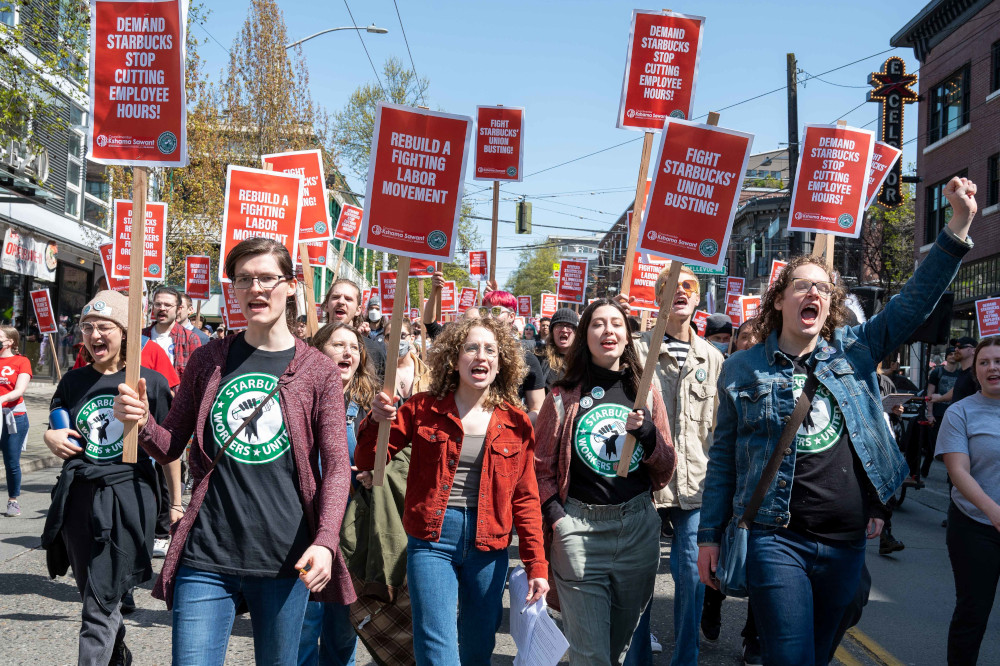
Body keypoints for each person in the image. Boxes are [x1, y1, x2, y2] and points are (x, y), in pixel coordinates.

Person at [698, 176, 979, 665]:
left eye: (823, 289)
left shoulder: (855, 351)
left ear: (829, 306)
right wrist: (708, 537)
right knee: (789, 656)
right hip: (774, 534)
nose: (814, 293)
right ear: (780, 299)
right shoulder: (743, 368)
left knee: (820, 653)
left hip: (845, 541)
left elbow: (913, 303)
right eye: (802, 285)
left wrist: (958, 224)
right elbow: (724, 458)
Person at [114, 238, 356, 666]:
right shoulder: (210, 359)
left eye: (266, 278)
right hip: (207, 551)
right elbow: (169, 444)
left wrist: (326, 540)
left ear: (291, 285)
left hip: (285, 556)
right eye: (243, 279)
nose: (255, 289)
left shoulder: (317, 369)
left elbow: (337, 466)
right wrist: (140, 423)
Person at [354, 316, 549, 666]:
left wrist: (537, 565)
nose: (481, 356)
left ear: (501, 361)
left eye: (490, 349)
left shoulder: (516, 421)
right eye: (471, 348)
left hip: (490, 544)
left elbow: (526, 498)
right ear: (454, 359)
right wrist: (376, 420)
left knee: (477, 647)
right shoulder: (420, 408)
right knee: (436, 647)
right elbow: (369, 458)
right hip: (432, 540)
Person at [535, 298, 676, 665]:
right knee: (591, 656)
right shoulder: (561, 396)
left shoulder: (647, 392)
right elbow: (540, 467)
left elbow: (665, 469)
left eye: (616, 323)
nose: (608, 330)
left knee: (615, 651)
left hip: (637, 532)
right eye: (598, 323)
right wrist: (557, 518)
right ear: (586, 336)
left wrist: (648, 435)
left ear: (627, 337)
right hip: (579, 531)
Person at [41, 290, 173, 665]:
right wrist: (50, 436)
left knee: (99, 603)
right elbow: (56, 416)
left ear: (125, 331)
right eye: (87, 327)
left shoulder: (152, 383)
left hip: (129, 497)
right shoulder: (73, 381)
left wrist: (175, 505)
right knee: (93, 592)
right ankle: (116, 653)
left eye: (104, 326)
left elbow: (169, 449)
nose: (94, 334)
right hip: (79, 496)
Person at [622, 265, 724, 666]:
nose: (679, 292)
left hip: (696, 487)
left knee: (692, 578)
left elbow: (718, 429)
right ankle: (638, 659)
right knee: (640, 582)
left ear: (698, 298)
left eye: (687, 287)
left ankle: (686, 658)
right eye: (669, 287)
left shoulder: (713, 358)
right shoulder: (637, 352)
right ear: (657, 296)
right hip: (645, 484)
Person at [298, 322, 382, 666]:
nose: (347, 351)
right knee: (304, 621)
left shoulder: (375, 406)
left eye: (353, 346)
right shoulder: (300, 397)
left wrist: (377, 471)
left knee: (343, 624)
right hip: (304, 523)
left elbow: (401, 457)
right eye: (337, 344)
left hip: (352, 528)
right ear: (318, 351)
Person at [935, 336, 1000, 666]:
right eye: (984, 362)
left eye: (998, 361)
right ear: (975, 372)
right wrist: (994, 512)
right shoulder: (960, 412)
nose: (993, 367)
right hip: (975, 527)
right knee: (973, 613)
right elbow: (958, 471)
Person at [323, 279, 386, 381]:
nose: (341, 302)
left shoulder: (373, 351)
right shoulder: (311, 346)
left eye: (348, 299)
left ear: (358, 310)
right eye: (335, 297)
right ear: (326, 305)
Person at [0, 325, 31, 517]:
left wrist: (3, 399)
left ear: (10, 341)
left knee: (11, 461)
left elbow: (19, 390)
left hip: (13, 418)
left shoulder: (22, 361)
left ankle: (13, 501)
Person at [926, 346, 961, 475]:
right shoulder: (937, 372)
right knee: (934, 445)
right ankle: (925, 468)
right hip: (939, 414)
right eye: (950, 354)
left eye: (954, 354)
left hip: (954, 414)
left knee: (952, 446)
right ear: (946, 357)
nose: (952, 356)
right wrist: (929, 413)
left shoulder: (961, 373)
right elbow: (930, 393)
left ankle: (950, 475)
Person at [930, 336, 978, 408]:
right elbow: (956, 390)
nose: (956, 349)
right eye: (956, 347)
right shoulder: (962, 372)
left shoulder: (977, 373)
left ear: (973, 351)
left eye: (961, 346)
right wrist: (940, 398)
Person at [537, 308, 578, 390]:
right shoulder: (540, 356)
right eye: (559, 325)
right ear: (552, 331)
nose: (564, 330)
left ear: (576, 332)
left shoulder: (584, 360)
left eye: (569, 326)